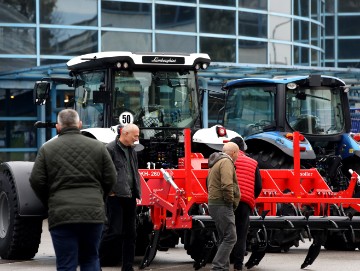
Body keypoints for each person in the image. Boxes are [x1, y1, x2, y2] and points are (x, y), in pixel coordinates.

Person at [29, 108, 117, 271]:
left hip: (61, 214)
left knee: (66, 263)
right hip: (93, 213)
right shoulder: (98, 147)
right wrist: (99, 197)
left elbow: (36, 180)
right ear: (80, 125)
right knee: (90, 258)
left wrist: (51, 201)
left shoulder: (47, 149)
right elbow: (111, 178)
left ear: (58, 127)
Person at [100, 123, 141, 271]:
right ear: (125, 133)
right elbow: (102, 172)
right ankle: (93, 261)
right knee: (114, 232)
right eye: (135, 135)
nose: (137, 139)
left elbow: (134, 172)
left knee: (131, 234)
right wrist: (109, 191)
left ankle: (127, 267)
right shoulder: (109, 149)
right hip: (115, 197)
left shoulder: (132, 150)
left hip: (130, 196)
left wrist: (137, 192)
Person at [230, 136, 262, 271]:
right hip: (245, 202)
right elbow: (259, 186)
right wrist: (251, 199)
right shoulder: (253, 163)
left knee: (226, 233)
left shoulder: (226, 160)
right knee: (241, 233)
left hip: (228, 200)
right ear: (243, 148)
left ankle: (224, 261)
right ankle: (238, 264)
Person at [207, 142, 241, 271]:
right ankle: (218, 267)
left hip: (215, 203)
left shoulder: (216, 162)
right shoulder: (226, 162)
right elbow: (227, 185)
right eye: (237, 153)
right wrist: (230, 201)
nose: (237, 156)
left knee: (224, 237)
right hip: (222, 204)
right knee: (231, 237)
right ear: (233, 153)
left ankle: (223, 268)